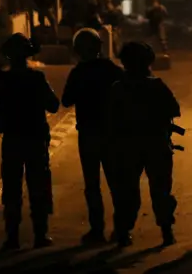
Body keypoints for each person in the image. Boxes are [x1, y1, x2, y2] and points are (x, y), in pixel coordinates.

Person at [0, 34, 59, 250]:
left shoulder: (2, 80)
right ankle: (41, 234)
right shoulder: (37, 78)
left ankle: (12, 237)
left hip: (12, 139)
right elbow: (54, 105)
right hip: (36, 138)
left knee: (12, 189)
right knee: (39, 187)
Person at [109, 42, 179, 248]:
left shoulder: (118, 88)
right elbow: (173, 109)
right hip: (156, 144)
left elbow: (111, 118)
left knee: (127, 191)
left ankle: (123, 233)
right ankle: (167, 231)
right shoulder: (157, 85)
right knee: (161, 190)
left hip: (127, 147)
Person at [62, 28, 124, 244]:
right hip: (111, 132)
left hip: (88, 133)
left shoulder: (78, 72)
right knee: (116, 183)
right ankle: (122, 230)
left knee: (92, 184)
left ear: (77, 50)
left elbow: (66, 100)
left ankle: (97, 230)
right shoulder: (112, 70)